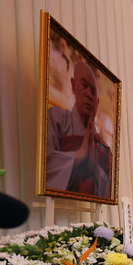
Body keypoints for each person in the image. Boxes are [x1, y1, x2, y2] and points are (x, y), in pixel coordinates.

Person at [46, 62, 111, 197]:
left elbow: (107, 192)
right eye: (84, 85)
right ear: (74, 85)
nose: (88, 94)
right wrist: (79, 155)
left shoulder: (102, 146)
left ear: (97, 103)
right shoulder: (57, 118)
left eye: (93, 92)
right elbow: (44, 166)